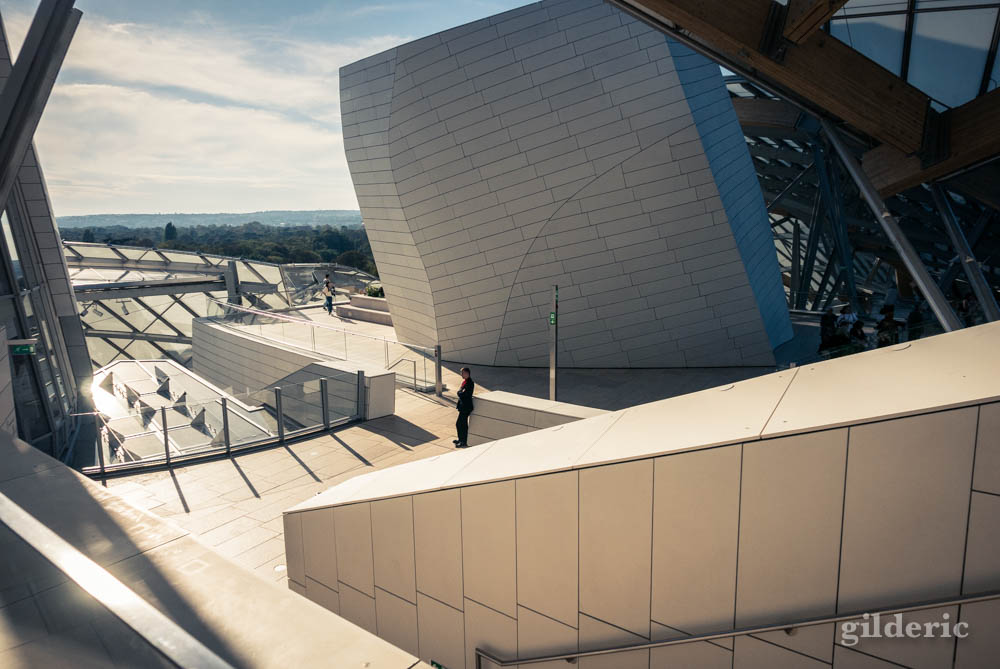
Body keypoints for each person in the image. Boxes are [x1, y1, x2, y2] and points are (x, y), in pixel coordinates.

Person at [453, 367, 474, 448]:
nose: (461, 374)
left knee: (462, 424)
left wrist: (460, 392)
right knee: (460, 424)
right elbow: (460, 392)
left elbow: (463, 394)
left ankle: (463, 441)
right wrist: (460, 392)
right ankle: (460, 439)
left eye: (462, 373)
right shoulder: (465, 382)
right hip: (463, 407)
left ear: (467, 373)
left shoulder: (469, 383)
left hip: (466, 407)